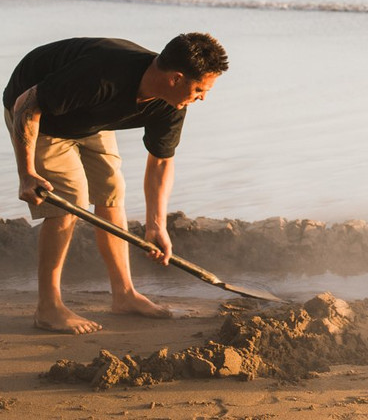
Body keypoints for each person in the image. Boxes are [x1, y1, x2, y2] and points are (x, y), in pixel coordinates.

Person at [4, 33, 228, 334]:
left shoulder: (170, 105)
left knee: (111, 190)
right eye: (200, 88)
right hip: (38, 116)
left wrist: (156, 224)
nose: (202, 97)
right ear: (176, 78)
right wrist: (27, 173)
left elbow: (161, 162)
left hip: (90, 116)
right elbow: (26, 105)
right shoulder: (101, 75)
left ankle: (124, 295)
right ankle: (48, 307)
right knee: (69, 200)